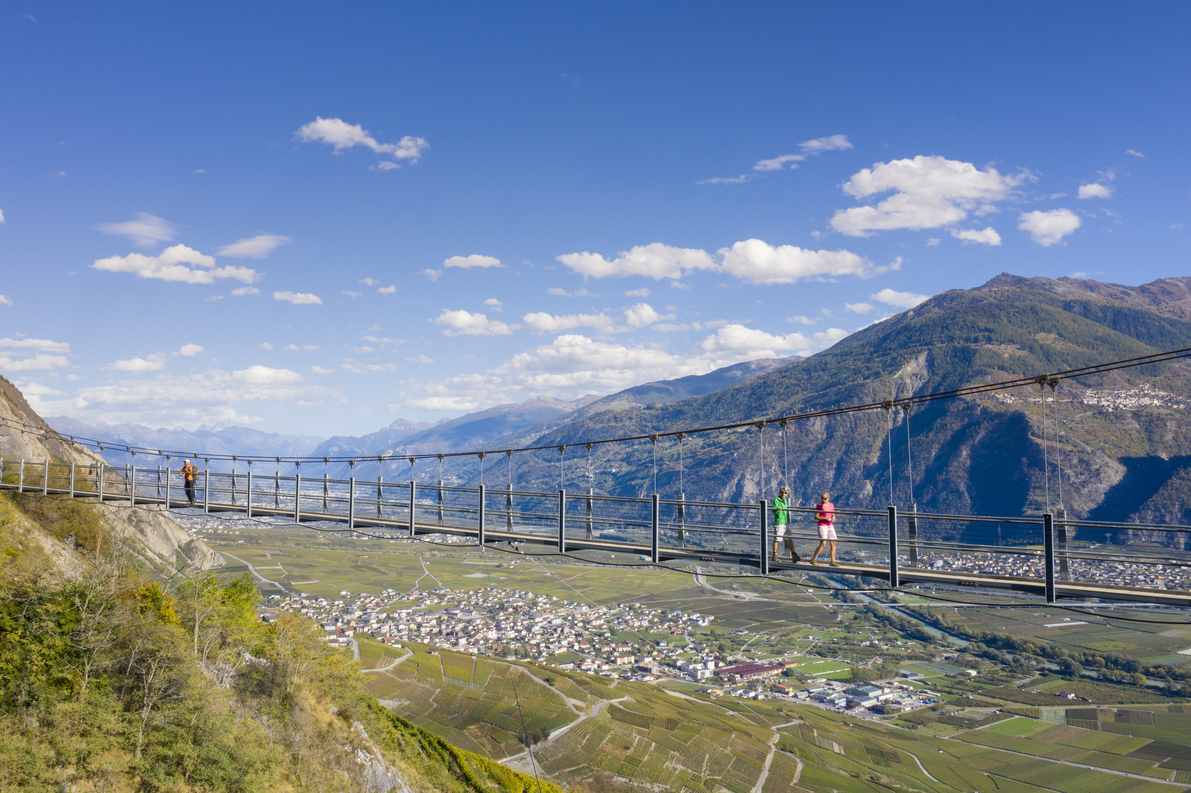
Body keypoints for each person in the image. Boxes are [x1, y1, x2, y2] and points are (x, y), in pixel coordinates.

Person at [770, 487, 801, 563]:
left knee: (789, 539)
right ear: (779, 492)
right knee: (777, 539)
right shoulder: (777, 500)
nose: (783, 494)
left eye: (785, 492)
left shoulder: (785, 501)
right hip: (779, 522)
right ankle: (774, 555)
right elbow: (773, 509)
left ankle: (793, 554)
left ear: (787, 493)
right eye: (782, 492)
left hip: (785, 522)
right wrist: (777, 508)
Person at [811, 491, 838, 566]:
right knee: (823, 544)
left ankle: (832, 561)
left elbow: (833, 514)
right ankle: (814, 559)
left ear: (828, 498)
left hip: (830, 525)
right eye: (822, 498)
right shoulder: (819, 506)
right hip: (822, 525)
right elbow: (816, 516)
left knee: (833, 543)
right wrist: (825, 518)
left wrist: (834, 518)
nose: (823, 500)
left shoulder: (831, 505)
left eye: (825, 498)